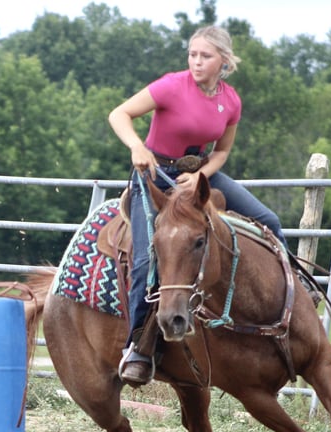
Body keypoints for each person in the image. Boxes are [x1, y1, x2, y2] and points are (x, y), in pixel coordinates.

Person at [108, 25, 314, 386]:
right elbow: (119, 115)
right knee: (145, 261)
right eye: (192, 55)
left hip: (198, 175)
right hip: (155, 173)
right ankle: (138, 348)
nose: (196, 62)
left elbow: (221, 151)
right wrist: (137, 147)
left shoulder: (230, 100)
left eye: (205, 56)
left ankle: (298, 291)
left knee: (268, 219)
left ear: (223, 60)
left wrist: (201, 173)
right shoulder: (172, 85)